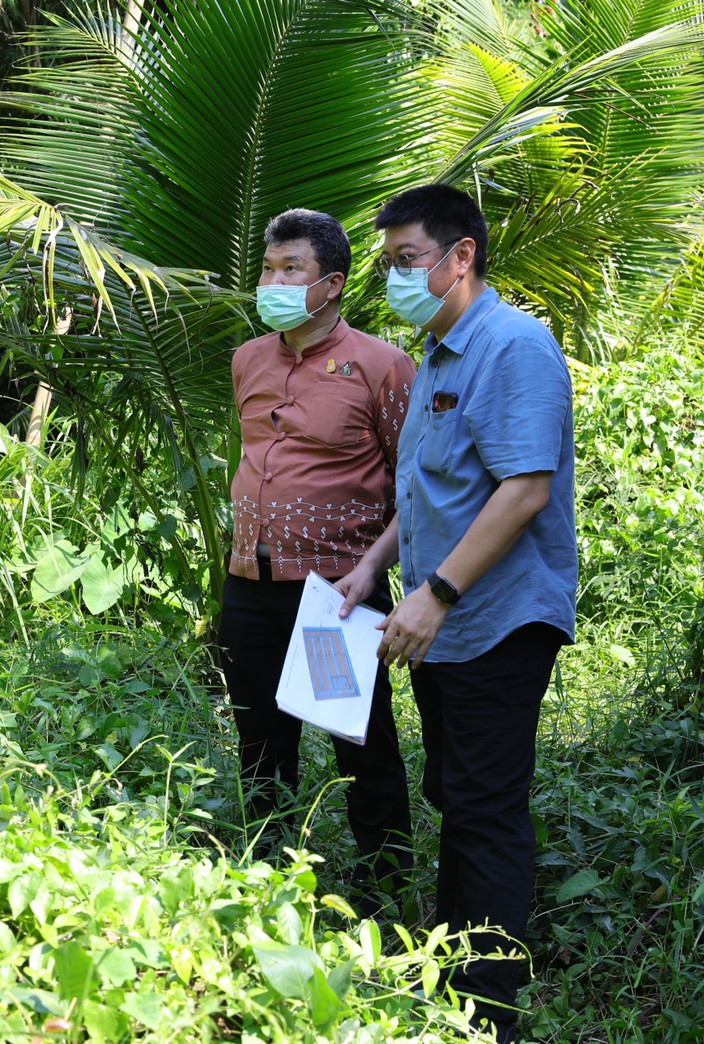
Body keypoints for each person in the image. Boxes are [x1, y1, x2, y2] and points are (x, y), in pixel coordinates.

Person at [337, 183, 577, 1043]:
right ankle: (453, 976)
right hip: (443, 625)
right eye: (389, 263)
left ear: (461, 255)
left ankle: (487, 1012)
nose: (396, 278)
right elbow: (430, 491)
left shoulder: (514, 347)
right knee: (457, 796)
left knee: (485, 809)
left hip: (497, 620)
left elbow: (523, 491)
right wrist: (374, 566)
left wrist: (435, 594)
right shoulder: (439, 354)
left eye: (407, 260)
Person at [219, 208, 417, 912]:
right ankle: (264, 883)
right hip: (250, 583)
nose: (273, 282)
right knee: (259, 742)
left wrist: (374, 567)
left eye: (291, 269)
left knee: (356, 744)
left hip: (335, 591)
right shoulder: (249, 359)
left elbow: (416, 486)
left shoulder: (381, 367)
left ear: (331, 284)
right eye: (268, 268)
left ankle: (387, 890)